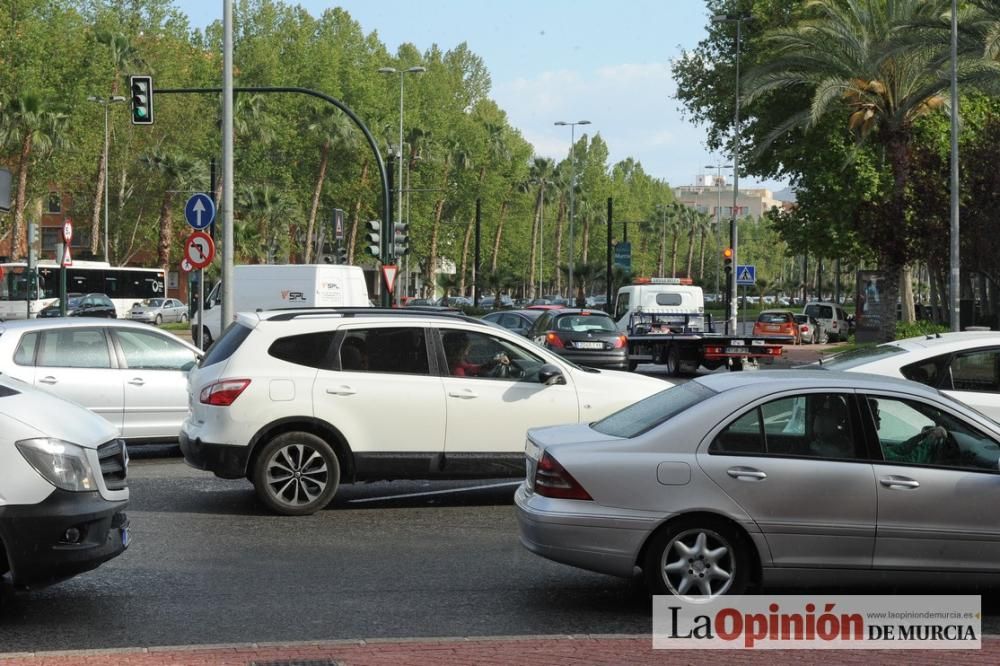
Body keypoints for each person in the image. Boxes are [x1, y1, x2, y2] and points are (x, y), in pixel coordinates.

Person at [443, 332, 509, 377]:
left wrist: (496, 361)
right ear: (457, 350)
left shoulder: (453, 363)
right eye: (466, 349)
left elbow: (472, 368)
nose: (466, 353)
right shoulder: (457, 371)